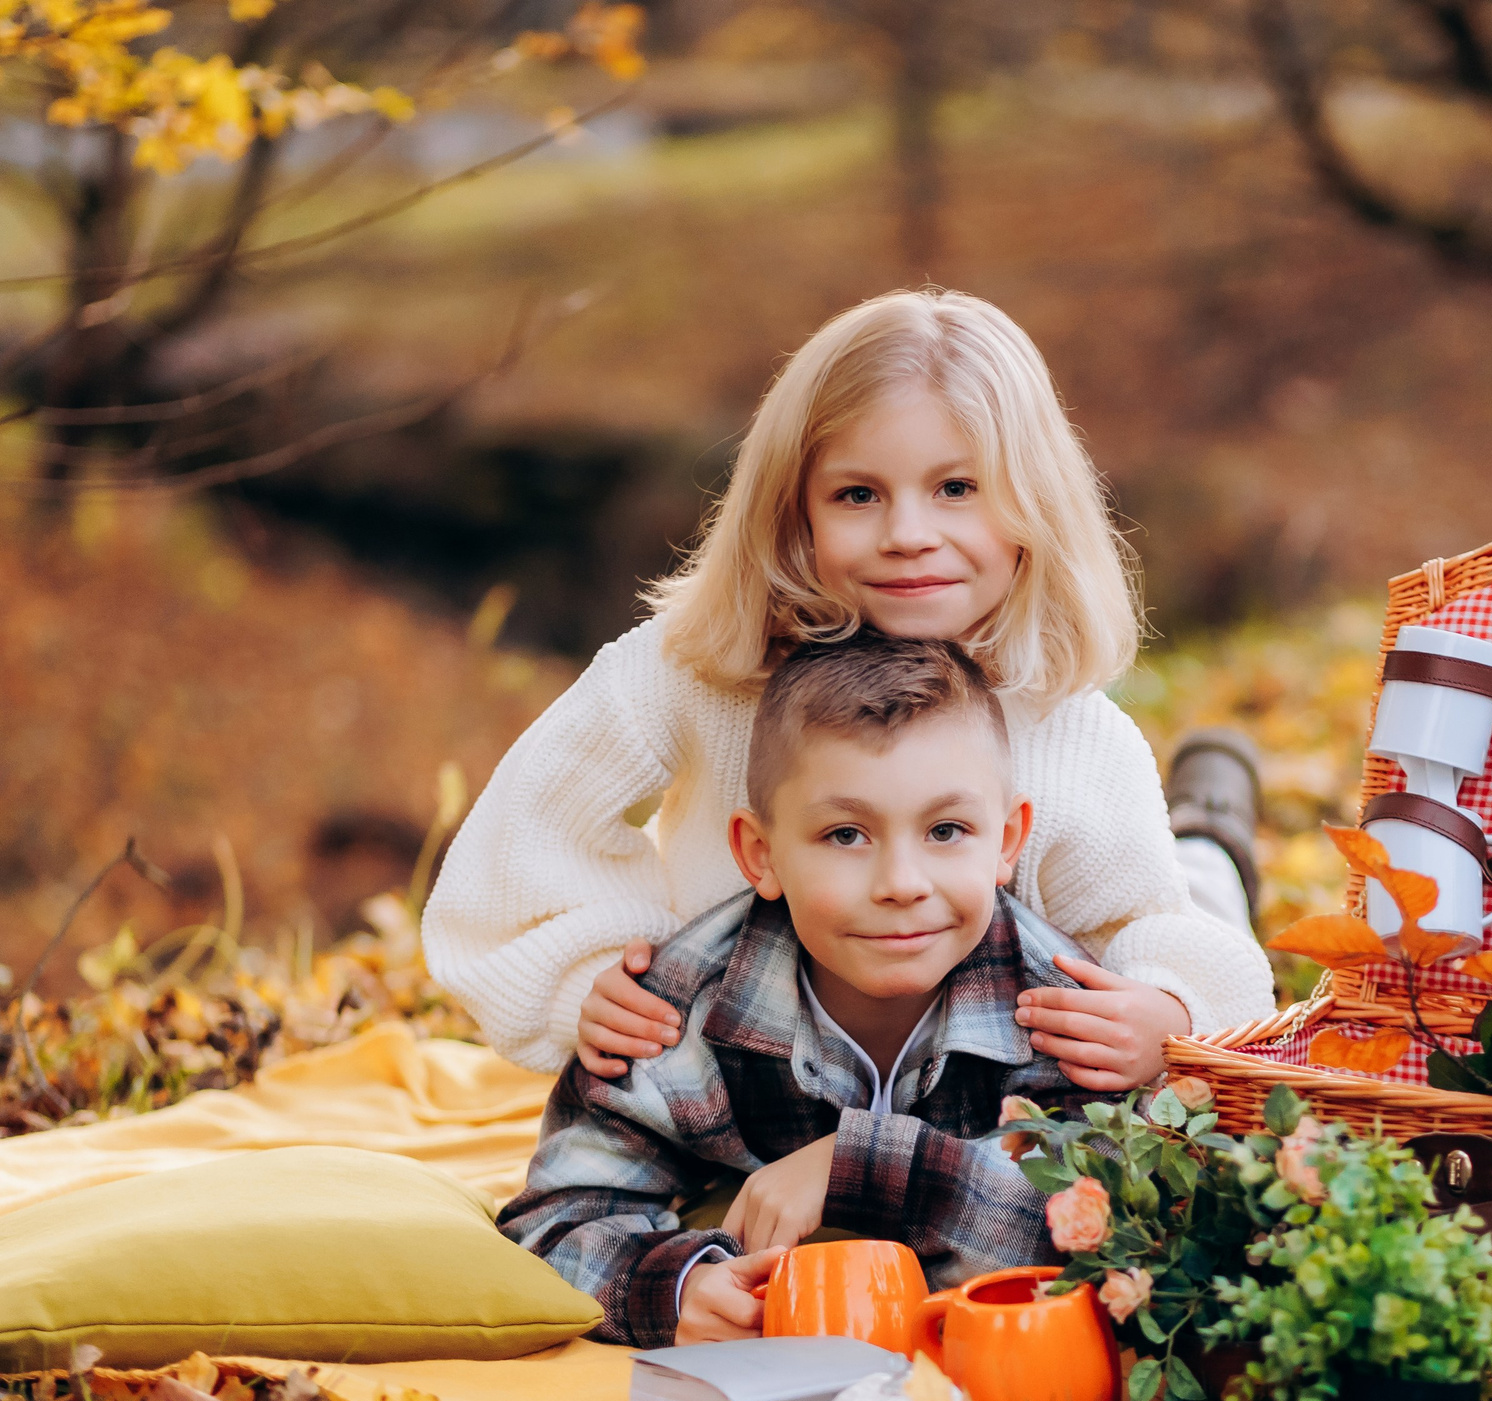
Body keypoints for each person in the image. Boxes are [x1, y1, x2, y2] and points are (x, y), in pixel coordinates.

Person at [424, 288, 1272, 1095]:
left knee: (1202, 889)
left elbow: (1138, 929)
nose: (908, 535)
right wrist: (590, 973)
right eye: (858, 494)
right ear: (795, 512)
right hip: (764, 1082)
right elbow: (523, 835)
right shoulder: (692, 673)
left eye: (957, 488)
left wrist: (1168, 1008)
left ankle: (1213, 826)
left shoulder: (1075, 734)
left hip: (973, 1101)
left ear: (1034, 506)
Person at [498, 635, 1114, 1348]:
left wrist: (865, 1164)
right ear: (761, 854)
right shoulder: (680, 1005)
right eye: (847, 834)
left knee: (1207, 879)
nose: (902, 884)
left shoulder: (1059, 1007)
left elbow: (1099, 1238)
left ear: (1007, 841)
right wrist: (675, 1286)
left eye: (947, 829)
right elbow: (554, 1219)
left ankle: (1211, 836)